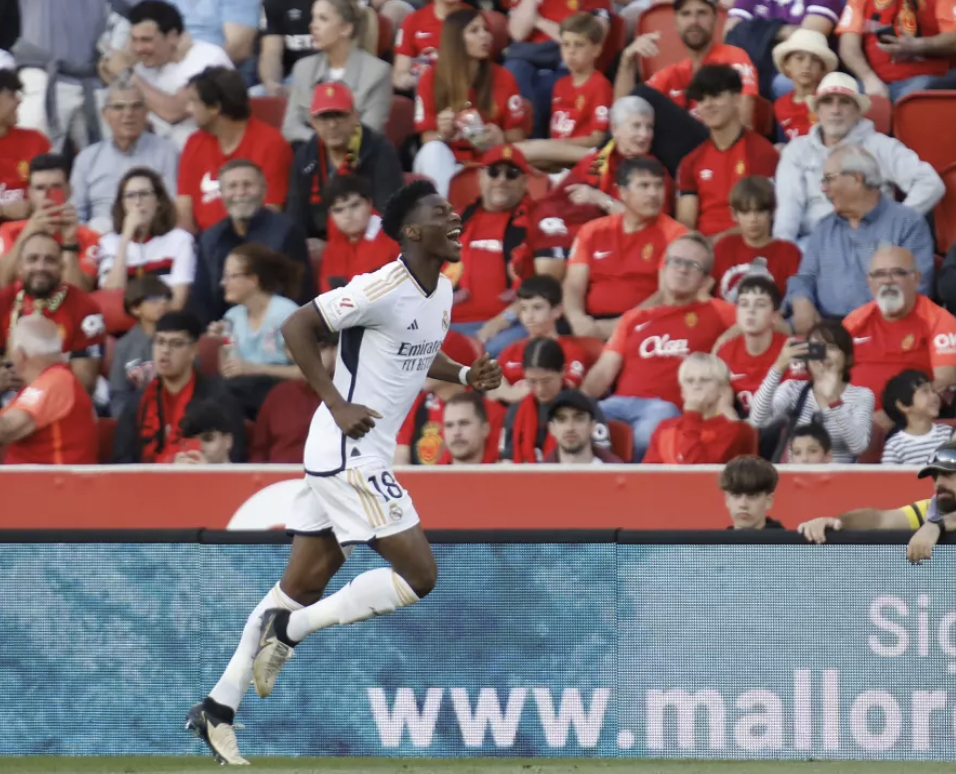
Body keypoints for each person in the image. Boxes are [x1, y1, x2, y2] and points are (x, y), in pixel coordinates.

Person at [184, 180, 502, 764]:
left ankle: (217, 708)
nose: (455, 216)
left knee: (298, 585)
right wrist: (336, 400)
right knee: (419, 575)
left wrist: (461, 376)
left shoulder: (441, 291)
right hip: (349, 448)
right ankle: (291, 632)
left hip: (347, 451)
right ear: (413, 232)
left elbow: (416, 347)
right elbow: (297, 327)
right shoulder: (380, 284)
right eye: (441, 212)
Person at [581, 233, 736, 461]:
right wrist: (577, 401)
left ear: (704, 281)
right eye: (676, 261)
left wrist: (728, 337)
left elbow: (766, 322)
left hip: (666, 408)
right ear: (663, 269)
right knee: (579, 424)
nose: (682, 269)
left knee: (647, 434)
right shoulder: (634, 318)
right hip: (619, 402)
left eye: (692, 265)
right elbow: (605, 371)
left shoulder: (718, 311)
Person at [773, 73, 944, 245]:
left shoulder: (881, 145)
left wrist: (895, 224)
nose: (835, 110)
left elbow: (930, 183)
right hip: (814, 241)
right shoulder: (796, 150)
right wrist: (783, 253)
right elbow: (788, 211)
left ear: (857, 111)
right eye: (827, 101)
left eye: (845, 102)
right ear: (817, 111)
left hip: (869, 242)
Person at [786, 146, 936, 332]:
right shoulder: (824, 227)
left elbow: (916, 288)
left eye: (829, 179)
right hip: (828, 330)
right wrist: (801, 300)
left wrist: (861, 325)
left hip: (885, 328)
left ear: (857, 178)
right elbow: (804, 277)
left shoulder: (907, 223)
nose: (823, 188)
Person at [523, 96, 672, 263]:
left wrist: (600, 199)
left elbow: (651, 223)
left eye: (649, 127)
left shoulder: (654, 172)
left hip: (629, 247)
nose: (644, 135)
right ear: (615, 129)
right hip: (584, 238)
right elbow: (559, 201)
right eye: (636, 126)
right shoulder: (596, 161)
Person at [564, 156, 687, 341]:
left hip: (645, 326)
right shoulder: (591, 231)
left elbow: (665, 294)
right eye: (644, 186)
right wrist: (576, 319)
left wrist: (617, 326)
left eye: (658, 185)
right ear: (622, 192)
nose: (654, 193)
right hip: (590, 324)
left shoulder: (676, 234)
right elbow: (573, 284)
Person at [443, 144, 546, 356]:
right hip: (449, 326)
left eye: (511, 174)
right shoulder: (455, 220)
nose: (501, 180)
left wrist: (503, 319)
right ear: (480, 177)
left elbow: (547, 285)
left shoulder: (540, 220)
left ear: (524, 181)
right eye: (493, 172)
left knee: (489, 351)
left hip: (509, 326)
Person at [413, 8, 527, 198]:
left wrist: (501, 139)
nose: (485, 36)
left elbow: (518, 136)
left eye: (486, 29)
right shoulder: (431, 79)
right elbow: (427, 138)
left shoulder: (504, 77)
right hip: (449, 161)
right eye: (474, 31)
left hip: (490, 163)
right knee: (432, 150)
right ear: (456, 40)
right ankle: (444, 217)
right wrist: (443, 134)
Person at [113, 310, 246, 463]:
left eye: (176, 344)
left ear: (194, 350)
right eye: (160, 342)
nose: (165, 350)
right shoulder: (138, 403)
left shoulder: (219, 400)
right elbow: (121, 461)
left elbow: (235, 458)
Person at [191, 160, 312, 326]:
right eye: (232, 186)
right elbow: (202, 298)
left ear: (264, 190)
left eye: (248, 185)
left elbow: (300, 292)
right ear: (221, 193)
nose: (240, 192)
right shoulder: (210, 238)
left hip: (278, 327)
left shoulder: (286, 232)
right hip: (224, 328)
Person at [286, 82, 403, 250]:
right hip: (321, 241)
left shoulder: (379, 150)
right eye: (324, 117)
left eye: (339, 116)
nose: (332, 125)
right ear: (313, 121)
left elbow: (388, 212)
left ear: (355, 116)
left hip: (371, 242)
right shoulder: (305, 157)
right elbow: (295, 215)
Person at [798, 442, 956, 564]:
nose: (938, 483)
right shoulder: (929, 510)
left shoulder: (934, 520)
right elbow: (879, 519)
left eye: (947, 474)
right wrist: (834, 522)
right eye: (935, 476)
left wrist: (937, 525)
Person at [177, 67, 292, 234]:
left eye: (194, 102)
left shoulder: (271, 144)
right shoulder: (194, 143)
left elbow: (271, 214)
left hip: (253, 246)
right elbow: (184, 212)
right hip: (206, 248)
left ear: (215, 107)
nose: (188, 109)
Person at [842, 246, 956, 412]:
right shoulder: (855, 320)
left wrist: (892, 416)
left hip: (909, 423)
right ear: (869, 281)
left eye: (898, 273)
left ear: (916, 278)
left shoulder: (938, 320)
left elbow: (945, 383)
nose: (888, 281)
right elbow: (830, 373)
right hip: (848, 419)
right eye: (879, 274)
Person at [749, 319, 875, 463]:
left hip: (840, 480)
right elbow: (758, 420)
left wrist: (834, 401)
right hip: (797, 479)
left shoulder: (861, 395)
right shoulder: (793, 389)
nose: (823, 355)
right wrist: (778, 367)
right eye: (817, 347)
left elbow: (858, 446)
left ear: (847, 358)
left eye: (832, 347)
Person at [675, 65, 778, 239]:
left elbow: (762, 220)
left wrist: (715, 242)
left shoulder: (762, 153)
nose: (707, 105)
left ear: (737, 99)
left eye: (715, 96)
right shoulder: (690, 161)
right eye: (701, 99)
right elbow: (685, 222)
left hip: (746, 246)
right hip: (702, 253)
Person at [619, 0, 758, 125]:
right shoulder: (675, 72)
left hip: (722, 144)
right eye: (686, 14)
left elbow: (743, 121)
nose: (694, 21)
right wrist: (627, 61)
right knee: (640, 97)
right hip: (686, 149)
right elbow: (623, 115)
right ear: (676, 22)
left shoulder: (733, 57)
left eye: (702, 13)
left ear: (715, 19)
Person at [70, 78, 180, 234]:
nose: (128, 114)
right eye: (119, 107)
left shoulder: (167, 152)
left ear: (146, 112)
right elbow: (76, 214)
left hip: (152, 237)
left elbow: (173, 207)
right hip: (100, 242)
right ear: (105, 115)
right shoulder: (87, 158)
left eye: (136, 106)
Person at [0, 233, 105, 396]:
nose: (40, 267)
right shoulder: (4, 300)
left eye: (49, 260)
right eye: (32, 259)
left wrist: (33, 380)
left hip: (59, 397)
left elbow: (85, 382)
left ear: (62, 266)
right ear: (19, 266)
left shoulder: (85, 307)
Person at [124, 1, 235, 151]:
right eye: (134, 39)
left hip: (211, 154)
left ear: (172, 36)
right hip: (161, 159)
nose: (138, 48)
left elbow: (174, 112)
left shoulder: (207, 57)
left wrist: (128, 76)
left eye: (146, 40)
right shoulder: (143, 68)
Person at [207, 244, 303, 417]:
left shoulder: (285, 314)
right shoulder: (232, 317)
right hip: (243, 392)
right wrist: (219, 343)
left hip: (281, 391)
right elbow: (228, 372)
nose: (223, 283)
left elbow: (306, 372)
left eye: (231, 276)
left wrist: (255, 368)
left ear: (253, 280)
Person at [282, 0, 393, 143]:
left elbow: (371, 130)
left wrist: (333, 146)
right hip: (312, 155)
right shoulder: (303, 68)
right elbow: (290, 127)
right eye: (313, 18)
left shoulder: (377, 72)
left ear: (346, 28)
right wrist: (323, 144)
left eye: (323, 19)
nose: (312, 26)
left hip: (358, 158)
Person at [394, 330, 504, 465]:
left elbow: (496, 466)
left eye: (428, 361)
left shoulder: (490, 409)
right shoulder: (416, 405)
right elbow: (400, 459)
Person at [504, 0, 609, 139]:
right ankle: (525, 143)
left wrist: (538, 21)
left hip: (564, 61)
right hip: (525, 59)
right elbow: (518, 33)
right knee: (512, 73)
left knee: (552, 85)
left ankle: (535, 145)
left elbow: (596, 35)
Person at [0, 316, 97, 464]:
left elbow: (6, 430)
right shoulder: (45, 382)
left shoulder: (54, 382)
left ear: (20, 355)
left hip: (51, 483)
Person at [96, 167, 196, 310]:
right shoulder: (109, 242)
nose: (138, 202)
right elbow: (112, 293)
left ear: (158, 201)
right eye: (130, 196)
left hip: (165, 322)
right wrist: (125, 237)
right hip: (123, 324)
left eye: (144, 194)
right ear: (122, 204)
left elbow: (178, 301)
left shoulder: (180, 239)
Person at [0, 154, 102, 292]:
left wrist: (70, 242)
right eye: (40, 188)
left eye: (56, 187)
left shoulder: (90, 237)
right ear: (29, 193)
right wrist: (29, 231)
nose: (47, 195)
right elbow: (2, 284)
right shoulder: (8, 231)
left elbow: (77, 295)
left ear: (69, 190)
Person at [501, 336, 609, 463]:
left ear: (563, 371)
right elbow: (506, 461)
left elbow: (604, 458)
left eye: (546, 381)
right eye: (532, 382)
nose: (540, 389)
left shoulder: (585, 407)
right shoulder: (516, 411)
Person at [644, 352, 757, 464]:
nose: (696, 386)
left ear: (722, 389)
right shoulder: (665, 427)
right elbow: (648, 475)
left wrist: (692, 413)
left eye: (705, 380)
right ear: (682, 391)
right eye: (689, 381)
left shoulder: (737, 430)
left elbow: (697, 471)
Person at [716, 275, 804, 416]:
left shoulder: (793, 350)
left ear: (774, 316)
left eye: (760, 304)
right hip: (741, 425)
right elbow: (723, 406)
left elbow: (791, 408)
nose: (751, 311)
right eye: (744, 304)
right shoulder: (726, 352)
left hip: (781, 426)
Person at [492, 275, 589, 403]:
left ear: (557, 311)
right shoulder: (512, 350)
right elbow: (490, 389)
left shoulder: (571, 351)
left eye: (537, 307)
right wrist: (511, 394)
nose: (529, 316)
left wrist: (506, 394)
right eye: (523, 308)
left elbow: (560, 391)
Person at [836, 0, 956, 103]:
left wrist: (917, 46)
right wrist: (869, 79)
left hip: (926, 79)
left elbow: (953, 39)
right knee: (838, 91)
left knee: (915, 93)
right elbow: (848, 47)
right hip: (874, 81)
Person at [727, 0, 841, 102]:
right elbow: (730, 31)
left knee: (782, 83)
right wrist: (779, 31)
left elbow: (809, 37)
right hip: (756, 65)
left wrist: (761, 31)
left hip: (804, 68)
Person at [249, 333, 336, 463]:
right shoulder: (278, 396)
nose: (310, 358)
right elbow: (258, 452)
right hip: (278, 479)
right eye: (303, 350)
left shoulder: (353, 394)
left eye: (319, 349)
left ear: (335, 351)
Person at [711, 176, 800, 302]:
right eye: (745, 212)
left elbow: (797, 297)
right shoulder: (724, 247)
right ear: (733, 214)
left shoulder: (789, 252)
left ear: (772, 212)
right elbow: (704, 288)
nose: (753, 219)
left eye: (760, 211)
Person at [319, 175, 401, 293]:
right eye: (338, 210)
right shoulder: (331, 249)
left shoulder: (395, 240)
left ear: (369, 203)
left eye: (355, 205)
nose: (348, 215)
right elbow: (326, 298)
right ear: (330, 215)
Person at [109, 276, 172, 419]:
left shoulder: (181, 338)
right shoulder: (124, 346)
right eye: (153, 298)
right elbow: (119, 394)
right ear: (135, 308)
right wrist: (126, 424)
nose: (163, 302)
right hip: (139, 418)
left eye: (166, 297)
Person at [548, 14, 613, 148]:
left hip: (582, 154)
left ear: (596, 50)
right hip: (557, 153)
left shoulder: (600, 85)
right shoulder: (560, 84)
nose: (571, 52)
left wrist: (557, 146)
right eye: (566, 44)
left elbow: (597, 139)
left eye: (579, 45)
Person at [0, 69, 51, 223]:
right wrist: (4, 210)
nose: (19, 101)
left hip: (33, 228)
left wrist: (32, 206)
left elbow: (56, 191)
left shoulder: (36, 141)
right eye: (11, 95)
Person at [770, 30, 836, 141]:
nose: (807, 65)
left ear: (823, 69)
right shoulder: (780, 105)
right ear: (786, 65)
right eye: (799, 58)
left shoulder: (830, 103)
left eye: (815, 60)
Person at [880, 370, 953, 465]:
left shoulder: (948, 434)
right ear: (903, 405)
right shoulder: (895, 446)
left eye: (933, 391)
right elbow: (888, 478)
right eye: (925, 391)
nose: (934, 395)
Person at [392, 0, 463, 91]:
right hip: (421, 91)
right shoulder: (413, 20)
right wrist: (420, 81)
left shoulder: (475, 19)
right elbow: (399, 75)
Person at [544, 389, 623, 464]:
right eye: (561, 420)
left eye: (579, 419)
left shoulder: (618, 472)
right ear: (551, 428)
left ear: (592, 426)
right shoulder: (540, 475)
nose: (570, 427)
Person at [719, 455, 785, 530]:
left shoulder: (790, 541)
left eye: (752, 496)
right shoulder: (716, 541)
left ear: (769, 501)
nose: (743, 504)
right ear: (727, 499)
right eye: (736, 495)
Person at [171, 399, 236, 465]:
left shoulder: (244, 474)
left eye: (208, 438)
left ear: (228, 441)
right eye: (191, 441)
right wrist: (175, 473)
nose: (200, 448)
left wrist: (205, 473)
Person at [440, 391, 497, 464]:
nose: (456, 432)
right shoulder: (430, 474)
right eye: (449, 425)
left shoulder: (505, 473)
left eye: (464, 423)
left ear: (485, 429)